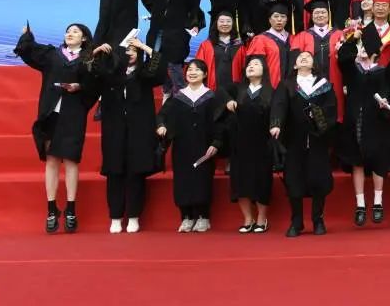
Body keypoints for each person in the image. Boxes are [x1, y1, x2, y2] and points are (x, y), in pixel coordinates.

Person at [16, 23, 102, 233]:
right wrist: (27, 37)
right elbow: (30, 54)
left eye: (75, 31)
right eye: (68, 31)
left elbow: (96, 85)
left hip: (73, 114)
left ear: (84, 38)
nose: (70, 34)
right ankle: (52, 208)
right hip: (50, 113)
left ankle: (71, 209)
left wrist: (80, 86)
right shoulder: (53, 54)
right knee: (52, 160)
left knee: (71, 160)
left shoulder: (89, 58)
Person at [94, 37, 164, 234]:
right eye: (127, 50)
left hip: (139, 131)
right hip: (114, 130)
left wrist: (144, 46)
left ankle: (133, 216)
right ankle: (115, 217)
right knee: (114, 173)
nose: (130, 53)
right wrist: (96, 52)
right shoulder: (110, 74)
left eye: (134, 50)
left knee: (136, 173)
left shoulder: (144, 74)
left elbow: (159, 69)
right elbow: (89, 70)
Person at [156, 59, 228, 233]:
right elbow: (162, 115)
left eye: (197, 70)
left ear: (205, 74)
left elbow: (220, 123)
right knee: (182, 180)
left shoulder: (211, 97)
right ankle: (186, 216)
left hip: (204, 147)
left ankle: (203, 216)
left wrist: (216, 143)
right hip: (182, 147)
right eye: (189, 70)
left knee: (202, 180)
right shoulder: (178, 97)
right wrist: (162, 126)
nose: (192, 72)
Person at [271, 50, 337, 236]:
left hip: (317, 139)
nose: (304, 58)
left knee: (318, 179)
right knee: (294, 180)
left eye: (308, 57)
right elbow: (279, 105)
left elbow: (331, 108)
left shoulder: (324, 85)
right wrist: (276, 124)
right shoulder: (287, 85)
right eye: (300, 57)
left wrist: (317, 116)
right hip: (294, 139)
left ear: (314, 64)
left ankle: (318, 219)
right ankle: (296, 222)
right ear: (295, 65)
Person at [337, 29, 390, 227]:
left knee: (379, 160)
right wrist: (353, 39)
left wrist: (386, 103)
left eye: (365, 46)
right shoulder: (353, 70)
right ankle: (361, 205)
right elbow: (343, 58)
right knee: (357, 162)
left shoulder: (383, 71)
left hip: (377, 121)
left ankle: (378, 202)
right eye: (360, 46)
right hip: (356, 120)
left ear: (375, 51)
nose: (362, 49)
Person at [127, 0, 205, 98]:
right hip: (157, 29)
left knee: (173, 64)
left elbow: (195, 6)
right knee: (154, 62)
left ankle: (184, 95)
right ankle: (167, 91)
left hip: (177, 31)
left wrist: (195, 24)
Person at [224, 55, 275, 233]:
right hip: (240, 142)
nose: (251, 67)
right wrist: (228, 101)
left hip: (262, 142)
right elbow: (220, 92)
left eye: (256, 64)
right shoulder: (238, 89)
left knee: (262, 180)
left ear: (264, 70)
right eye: (249, 65)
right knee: (240, 181)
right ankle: (248, 218)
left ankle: (261, 218)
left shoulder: (271, 91)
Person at [193, 12, 245, 96]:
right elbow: (199, 68)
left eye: (228, 21)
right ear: (216, 24)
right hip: (212, 90)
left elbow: (244, 69)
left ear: (233, 24)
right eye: (222, 21)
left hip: (235, 91)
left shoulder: (240, 46)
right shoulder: (206, 45)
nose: (225, 24)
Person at [245, 3, 295, 87]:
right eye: (276, 16)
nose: (279, 19)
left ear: (287, 19)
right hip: (269, 87)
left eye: (283, 16)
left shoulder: (293, 39)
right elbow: (255, 67)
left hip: (291, 87)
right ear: (269, 20)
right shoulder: (260, 39)